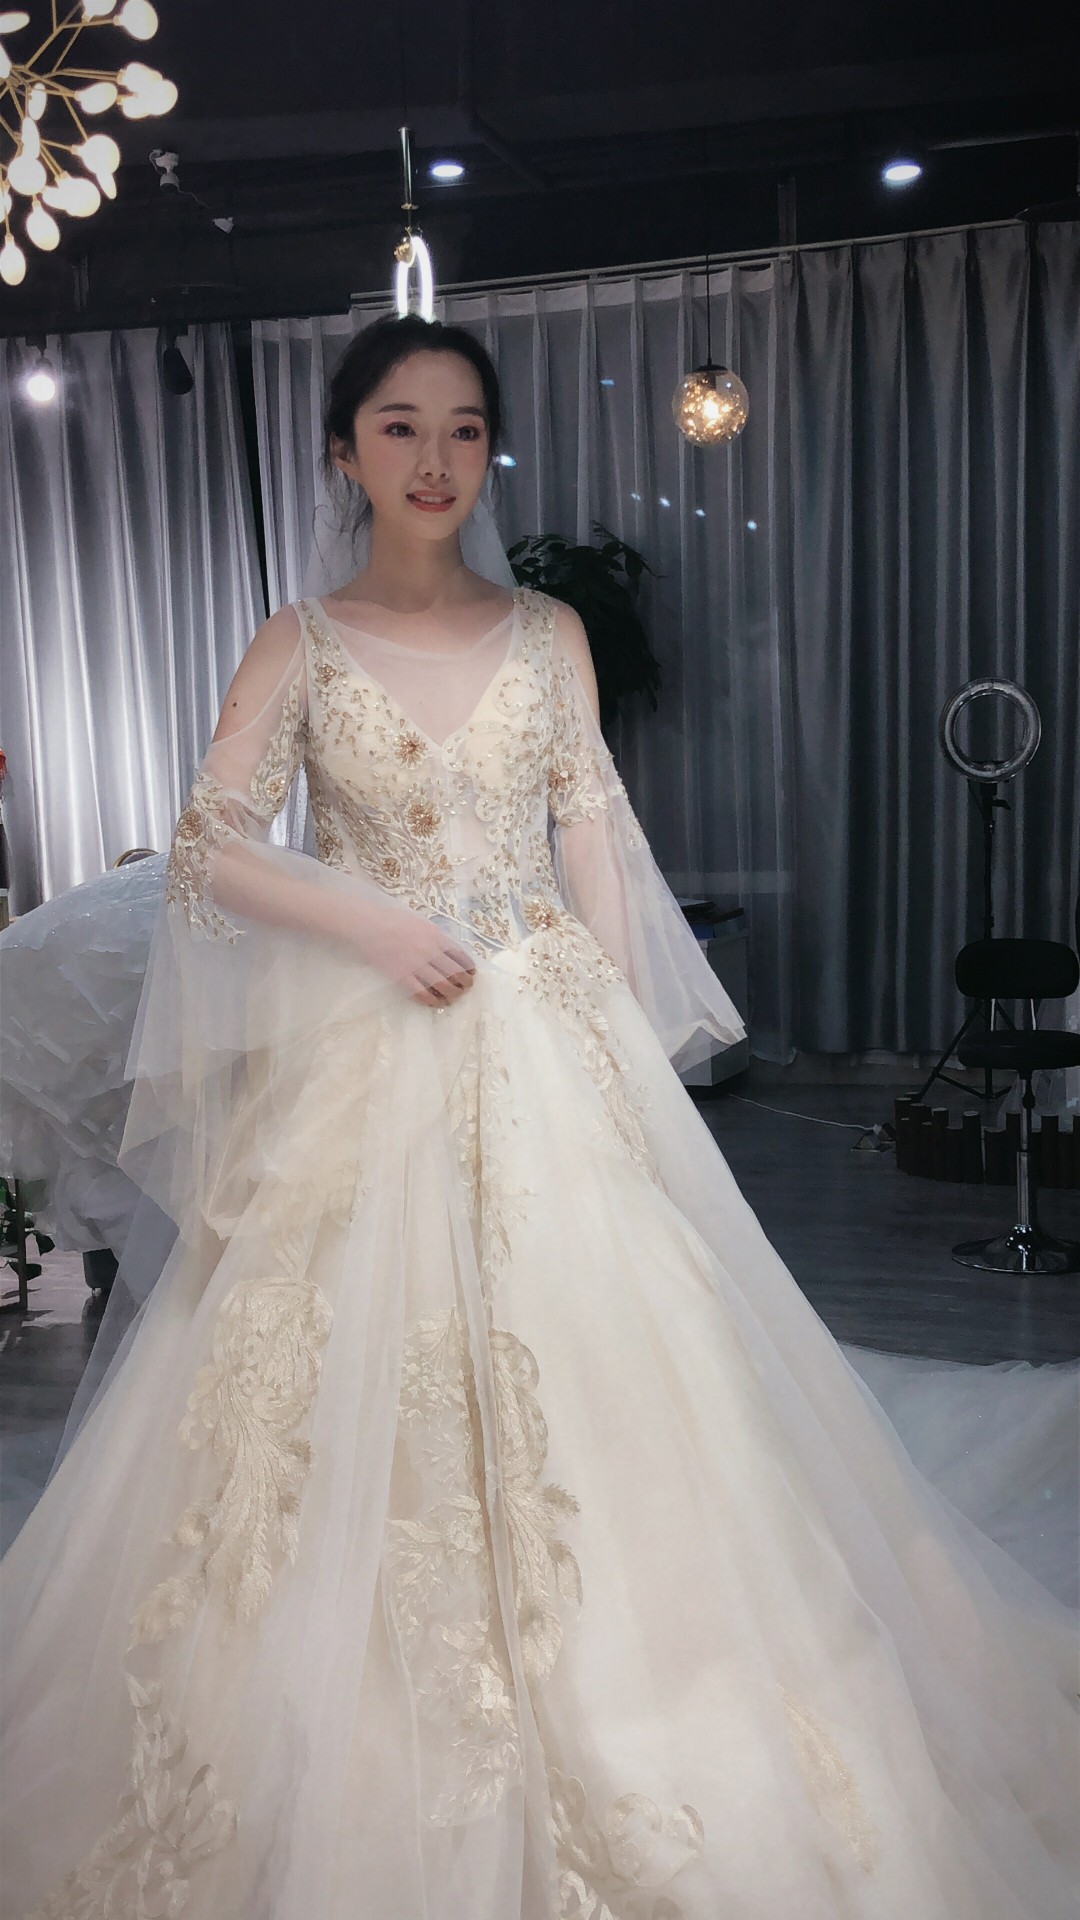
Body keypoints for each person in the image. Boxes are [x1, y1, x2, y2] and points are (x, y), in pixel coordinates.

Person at [0, 313, 1076, 1920]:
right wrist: (370, 923)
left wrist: (629, 1058)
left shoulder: (552, 631)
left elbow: (592, 841)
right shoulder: (299, 641)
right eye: (398, 427)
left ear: (488, 449)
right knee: (325, 1388)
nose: (434, 459)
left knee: (624, 1365)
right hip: (366, 1047)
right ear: (344, 451)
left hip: (545, 1041)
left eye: (462, 428)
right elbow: (212, 846)